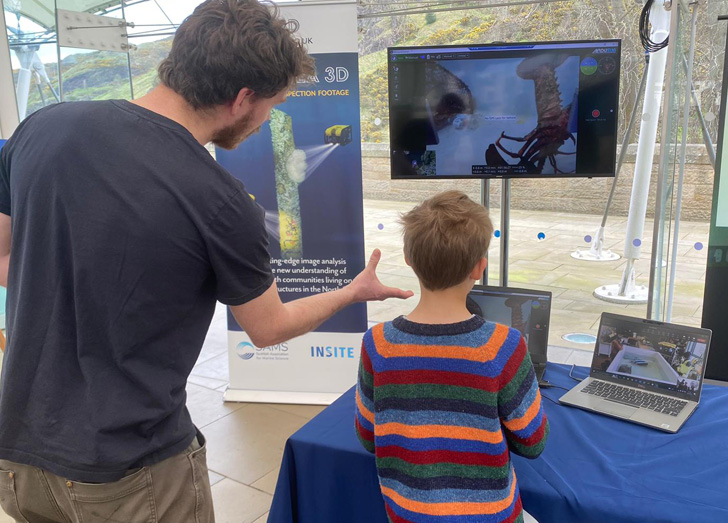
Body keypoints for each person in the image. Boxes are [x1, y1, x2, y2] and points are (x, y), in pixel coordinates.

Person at [0, 1, 411, 522]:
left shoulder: (41, 128)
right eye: (272, 106)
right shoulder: (221, 201)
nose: (266, 123)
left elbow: (5, 255)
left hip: (19, 457)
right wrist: (352, 293)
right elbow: (268, 328)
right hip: (129, 473)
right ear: (243, 98)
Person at [354, 191, 549, 523]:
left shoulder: (378, 343)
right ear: (479, 267)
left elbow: (367, 437)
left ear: (408, 259)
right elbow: (533, 442)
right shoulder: (503, 345)